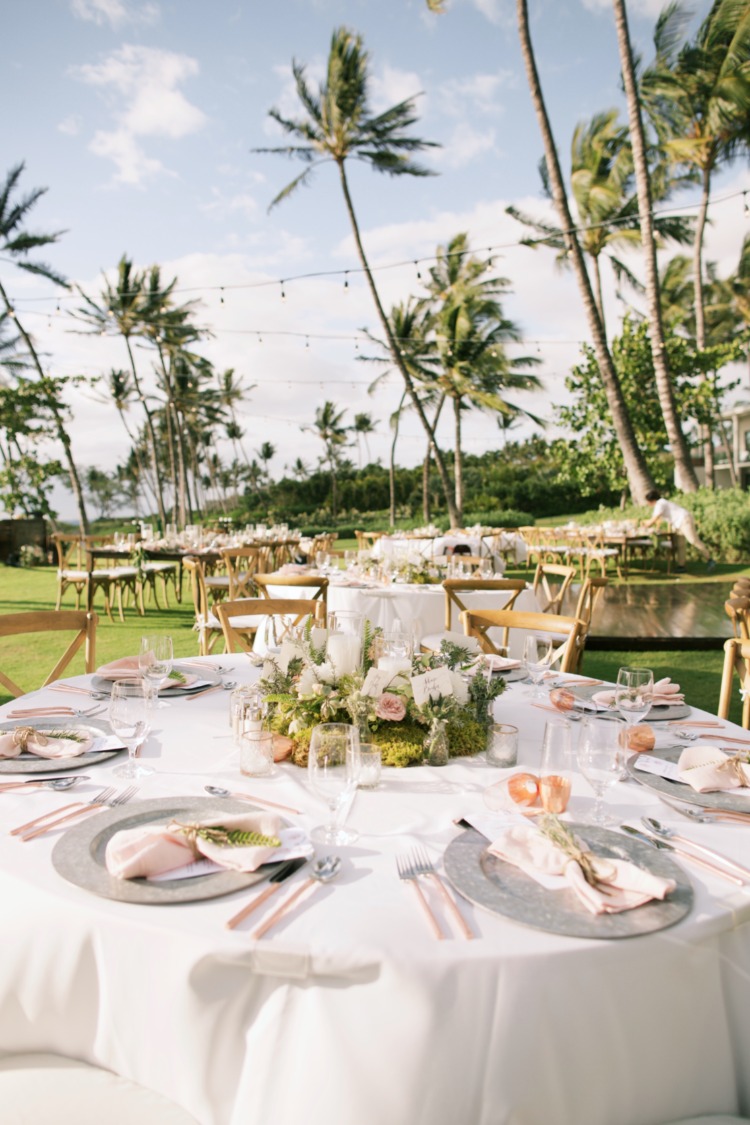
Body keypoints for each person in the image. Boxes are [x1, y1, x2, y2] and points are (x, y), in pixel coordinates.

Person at [642, 490, 715, 573]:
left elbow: (653, 520)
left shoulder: (660, 503)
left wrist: (644, 525)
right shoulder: (661, 503)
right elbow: (662, 519)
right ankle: (681, 566)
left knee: (693, 540)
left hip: (684, 520)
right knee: (680, 545)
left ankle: (710, 559)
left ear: (652, 500)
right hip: (678, 524)